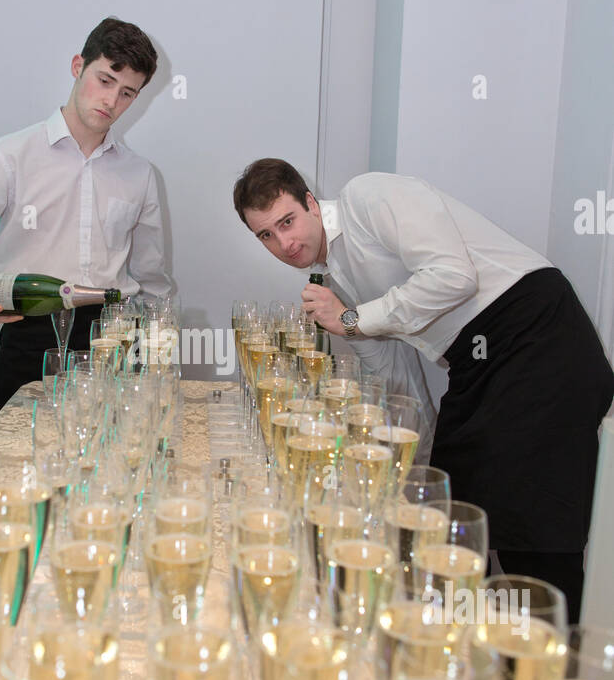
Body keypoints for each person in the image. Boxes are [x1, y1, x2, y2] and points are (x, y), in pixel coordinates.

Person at [233, 157, 614, 622]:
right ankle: (496, 656)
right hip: (477, 363)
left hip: (538, 336)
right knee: (452, 510)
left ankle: (550, 666)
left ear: (311, 202)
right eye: (266, 235)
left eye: (287, 221)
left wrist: (352, 319)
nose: (285, 243)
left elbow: (453, 276)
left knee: (531, 525)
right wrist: (407, 460)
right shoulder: (336, 281)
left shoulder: (366, 198)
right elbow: (394, 374)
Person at [0, 17, 172, 415]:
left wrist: (157, 356)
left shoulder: (141, 174)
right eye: (104, 81)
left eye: (127, 93)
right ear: (76, 66)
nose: (111, 101)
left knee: (116, 469)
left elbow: (153, 283)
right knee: (20, 473)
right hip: (28, 339)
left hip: (115, 342)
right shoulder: (9, 156)